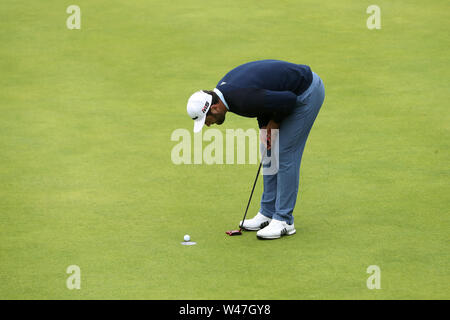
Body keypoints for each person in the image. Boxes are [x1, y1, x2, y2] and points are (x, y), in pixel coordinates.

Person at [186, 60, 325, 239]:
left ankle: (284, 220)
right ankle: (267, 213)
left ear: (214, 107)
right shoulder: (225, 96)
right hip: (286, 96)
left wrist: (273, 124)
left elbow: (287, 100)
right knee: (267, 149)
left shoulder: (240, 98)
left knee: (284, 152)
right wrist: (265, 128)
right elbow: (262, 103)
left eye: (207, 119)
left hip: (306, 93)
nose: (208, 125)